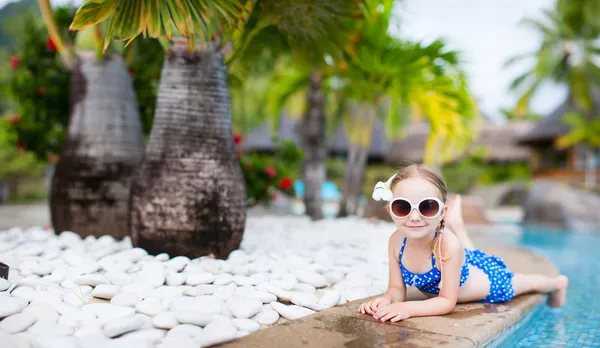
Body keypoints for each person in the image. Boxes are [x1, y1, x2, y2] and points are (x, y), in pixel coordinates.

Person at [358, 164, 568, 322]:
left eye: (427, 207)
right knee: (468, 252)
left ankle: (557, 284)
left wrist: (408, 309)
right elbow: (396, 288)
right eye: (403, 207)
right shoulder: (396, 241)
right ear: (390, 211)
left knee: (528, 282)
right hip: (462, 261)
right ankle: (457, 225)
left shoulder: (447, 245)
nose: (414, 217)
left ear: (442, 213)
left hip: (489, 282)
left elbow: (447, 302)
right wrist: (387, 299)